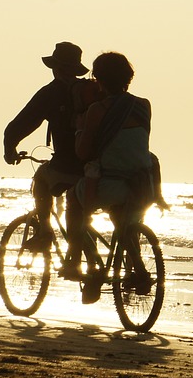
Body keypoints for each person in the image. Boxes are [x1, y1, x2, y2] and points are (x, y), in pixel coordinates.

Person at [64, 52, 156, 302]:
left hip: (109, 185)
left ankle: (82, 260)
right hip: (140, 185)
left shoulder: (97, 110)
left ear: (98, 79)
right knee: (123, 220)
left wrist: (81, 127)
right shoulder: (144, 105)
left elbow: (83, 152)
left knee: (72, 198)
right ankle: (137, 268)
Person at [2, 42, 99, 250]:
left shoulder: (51, 93)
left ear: (54, 67)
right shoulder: (90, 92)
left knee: (41, 179)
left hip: (68, 165)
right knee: (82, 214)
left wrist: (9, 150)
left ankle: (45, 232)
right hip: (97, 166)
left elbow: (20, 124)